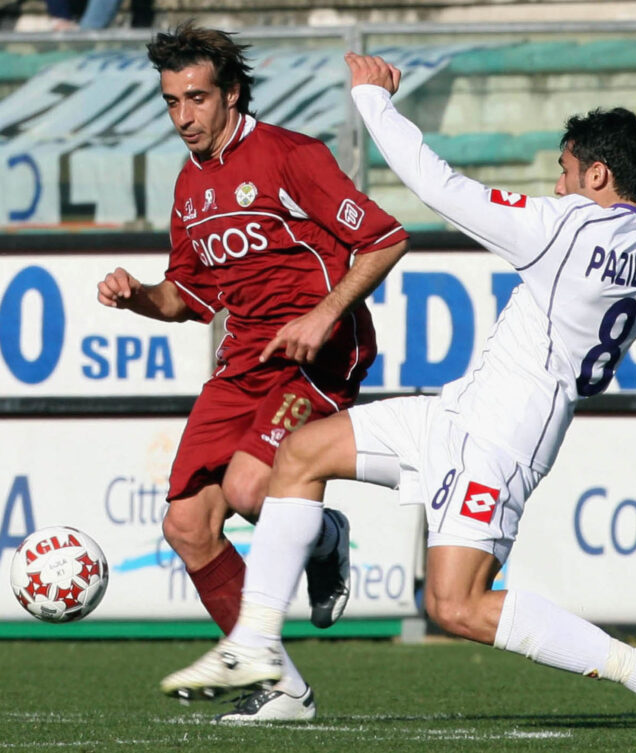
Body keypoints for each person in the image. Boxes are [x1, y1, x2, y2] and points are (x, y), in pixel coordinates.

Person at [160, 53, 636, 729]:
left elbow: (438, 185)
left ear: (599, 177)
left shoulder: (562, 226)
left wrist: (373, 101)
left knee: (455, 604)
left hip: (504, 441)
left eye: (566, 170)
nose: (557, 183)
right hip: (458, 414)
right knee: (299, 453)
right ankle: (261, 651)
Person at [96, 26, 408, 720]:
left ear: (231, 93)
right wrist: (136, 294)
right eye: (172, 101)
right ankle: (283, 687)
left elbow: (384, 239)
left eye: (197, 98)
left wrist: (322, 315)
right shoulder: (189, 184)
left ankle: (324, 535)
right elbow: (188, 298)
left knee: (246, 487)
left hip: (318, 353)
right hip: (242, 364)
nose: (184, 117)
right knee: (186, 525)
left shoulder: (292, 155)